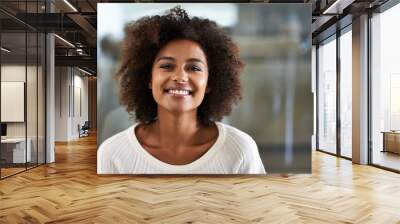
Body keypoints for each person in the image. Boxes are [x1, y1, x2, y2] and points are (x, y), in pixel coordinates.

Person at [97, 6, 266, 174]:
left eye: (194, 68)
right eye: (167, 66)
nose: (180, 77)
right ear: (148, 78)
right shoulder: (113, 154)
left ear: (209, 82)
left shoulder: (240, 150)